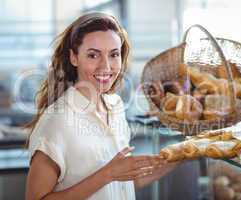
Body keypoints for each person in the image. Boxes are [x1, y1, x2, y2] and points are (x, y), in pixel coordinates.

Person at [25, 12, 177, 200]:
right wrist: (107, 174)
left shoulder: (116, 107)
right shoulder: (57, 120)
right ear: (74, 57)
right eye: (93, 55)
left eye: (114, 54)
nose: (106, 66)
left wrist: (182, 155)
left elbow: (126, 182)